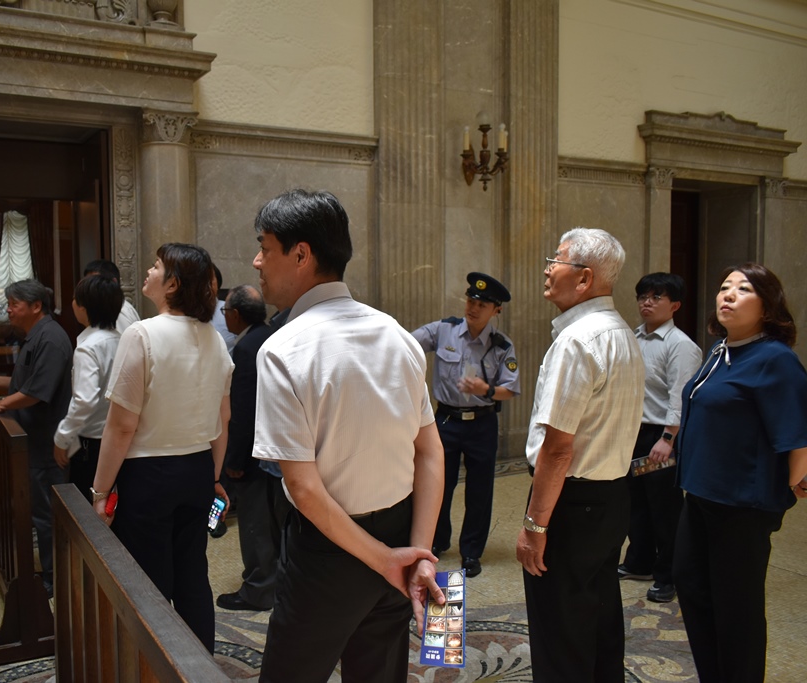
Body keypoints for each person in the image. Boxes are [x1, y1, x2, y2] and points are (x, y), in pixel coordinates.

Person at [251, 189, 444, 683]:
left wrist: (393, 560)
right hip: (402, 533)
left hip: (329, 553)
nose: (256, 261)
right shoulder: (398, 336)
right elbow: (430, 452)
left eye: (264, 247)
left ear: (300, 254)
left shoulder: (283, 350)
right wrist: (417, 553)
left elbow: (304, 488)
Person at [90, 243, 233, 652]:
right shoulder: (214, 338)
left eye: (155, 266)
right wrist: (215, 475)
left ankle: (154, 667)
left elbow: (121, 426)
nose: (148, 272)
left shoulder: (142, 334)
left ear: (172, 283)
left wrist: (100, 493)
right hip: (196, 469)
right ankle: (199, 666)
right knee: (191, 576)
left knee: (148, 583)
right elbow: (224, 420)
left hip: (148, 475)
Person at [517, 228, 644, 683]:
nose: (548, 268)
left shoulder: (577, 341)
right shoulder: (622, 333)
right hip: (612, 498)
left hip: (571, 505)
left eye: (557, 259)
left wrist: (535, 527)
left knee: (560, 632)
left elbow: (557, 448)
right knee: (599, 619)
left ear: (585, 278)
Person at [672, 263, 807, 683]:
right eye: (724, 286)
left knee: (736, 609)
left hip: (742, 505)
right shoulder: (720, 350)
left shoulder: (775, 359)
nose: (727, 294)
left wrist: (788, 484)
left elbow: (797, 436)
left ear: (767, 307)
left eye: (743, 289)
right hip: (700, 494)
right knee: (692, 588)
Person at [411, 272, 520, 576]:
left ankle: (471, 552)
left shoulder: (501, 346)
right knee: (437, 484)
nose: (473, 308)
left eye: (482, 304)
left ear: (496, 310)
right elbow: (407, 345)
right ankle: (437, 540)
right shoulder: (444, 330)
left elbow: (510, 388)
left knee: (479, 490)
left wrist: (484, 389)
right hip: (445, 420)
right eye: (471, 300)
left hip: (482, 425)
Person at [0, 279, 73, 598]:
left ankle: (53, 576)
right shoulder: (35, 336)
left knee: (46, 513)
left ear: (35, 306)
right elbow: (26, 382)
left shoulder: (51, 338)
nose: (9, 310)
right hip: (32, 440)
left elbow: (36, 393)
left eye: (14, 304)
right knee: (39, 510)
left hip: (45, 442)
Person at [618, 273, 701, 603]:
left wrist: (667, 438)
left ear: (675, 305)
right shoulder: (634, 337)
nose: (646, 303)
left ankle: (669, 575)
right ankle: (640, 562)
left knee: (664, 509)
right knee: (635, 503)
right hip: (634, 433)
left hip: (662, 436)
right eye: (642, 296)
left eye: (656, 297)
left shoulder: (680, 345)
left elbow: (680, 397)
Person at [216, 284, 290, 612]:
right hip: (277, 446)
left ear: (234, 314)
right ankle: (272, 581)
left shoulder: (246, 348)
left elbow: (244, 410)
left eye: (225, 311)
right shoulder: (270, 334)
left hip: (254, 452)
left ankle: (259, 589)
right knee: (273, 522)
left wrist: (233, 459)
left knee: (255, 522)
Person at [52, 274, 123, 502]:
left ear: (84, 307)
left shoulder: (88, 348)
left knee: (88, 514)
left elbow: (84, 400)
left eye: (75, 298)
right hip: (122, 439)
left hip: (91, 447)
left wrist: (62, 438)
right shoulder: (122, 339)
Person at [82, 259, 140, 333]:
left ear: (113, 282)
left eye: (96, 282)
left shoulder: (119, 313)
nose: (90, 287)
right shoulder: (109, 307)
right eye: (88, 283)